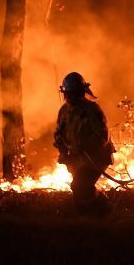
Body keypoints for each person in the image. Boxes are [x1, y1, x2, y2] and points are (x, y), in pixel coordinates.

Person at [53, 71, 114, 216]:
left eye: (75, 93)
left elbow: (102, 137)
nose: (71, 97)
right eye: (69, 94)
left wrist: (81, 147)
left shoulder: (92, 110)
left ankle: (105, 208)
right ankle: (89, 218)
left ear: (82, 92)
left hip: (96, 158)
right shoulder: (64, 111)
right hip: (77, 158)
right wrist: (62, 147)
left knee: (79, 186)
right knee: (80, 191)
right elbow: (59, 133)